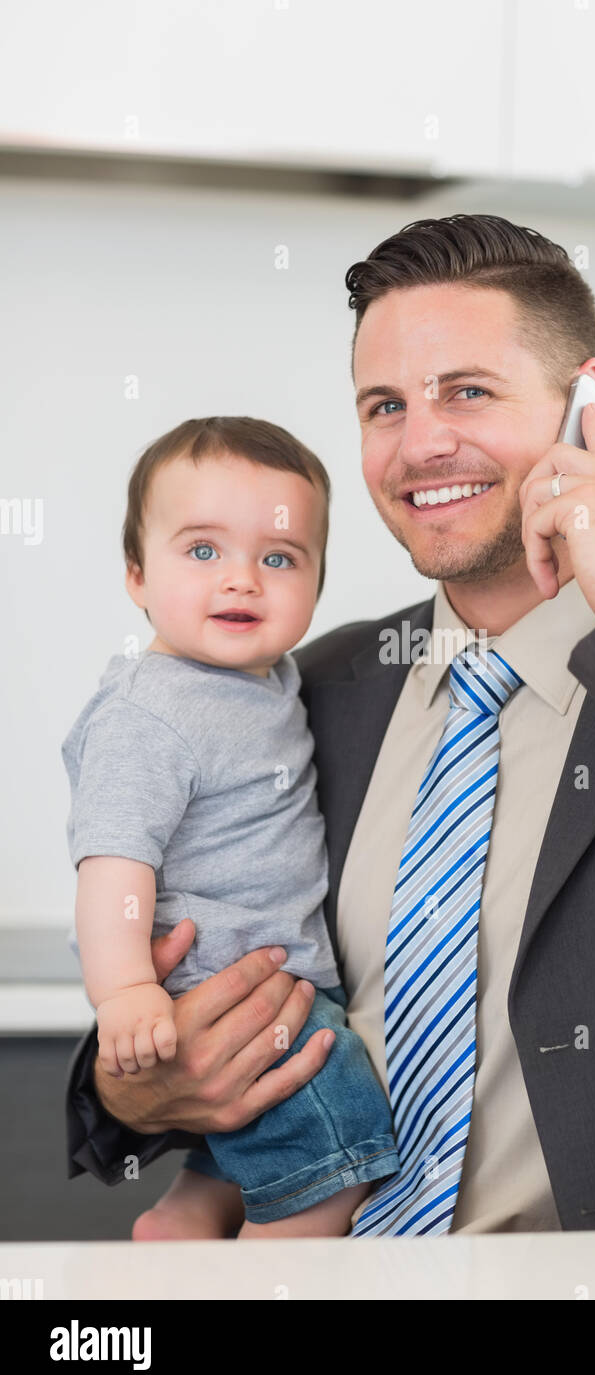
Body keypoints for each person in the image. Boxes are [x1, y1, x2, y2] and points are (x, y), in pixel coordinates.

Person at [65, 214, 595, 1236]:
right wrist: (140, 1088)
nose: (420, 442)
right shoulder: (305, 690)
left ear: (588, 409)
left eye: (467, 392)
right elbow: (168, 984)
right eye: (384, 405)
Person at [61, 416, 399, 1239]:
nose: (242, 580)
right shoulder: (152, 710)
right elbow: (113, 867)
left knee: (254, 1134)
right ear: (137, 575)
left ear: (316, 586)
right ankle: (263, 1279)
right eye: (203, 551)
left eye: (279, 558)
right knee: (334, 1165)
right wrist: (128, 991)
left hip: (272, 975)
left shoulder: (267, 678)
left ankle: (183, 1221)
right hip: (230, 987)